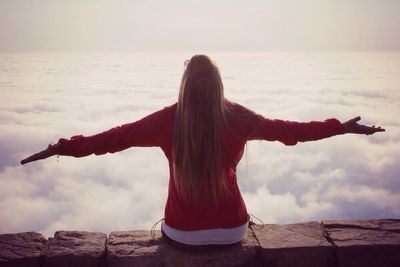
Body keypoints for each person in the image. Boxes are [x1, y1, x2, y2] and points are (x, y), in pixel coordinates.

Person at [21, 54, 385, 250]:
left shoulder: (167, 121)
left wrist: (62, 147)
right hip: (233, 231)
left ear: (184, 85)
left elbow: (112, 139)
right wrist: (340, 127)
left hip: (181, 233)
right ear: (219, 85)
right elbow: (291, 132)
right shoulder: (239, 117)